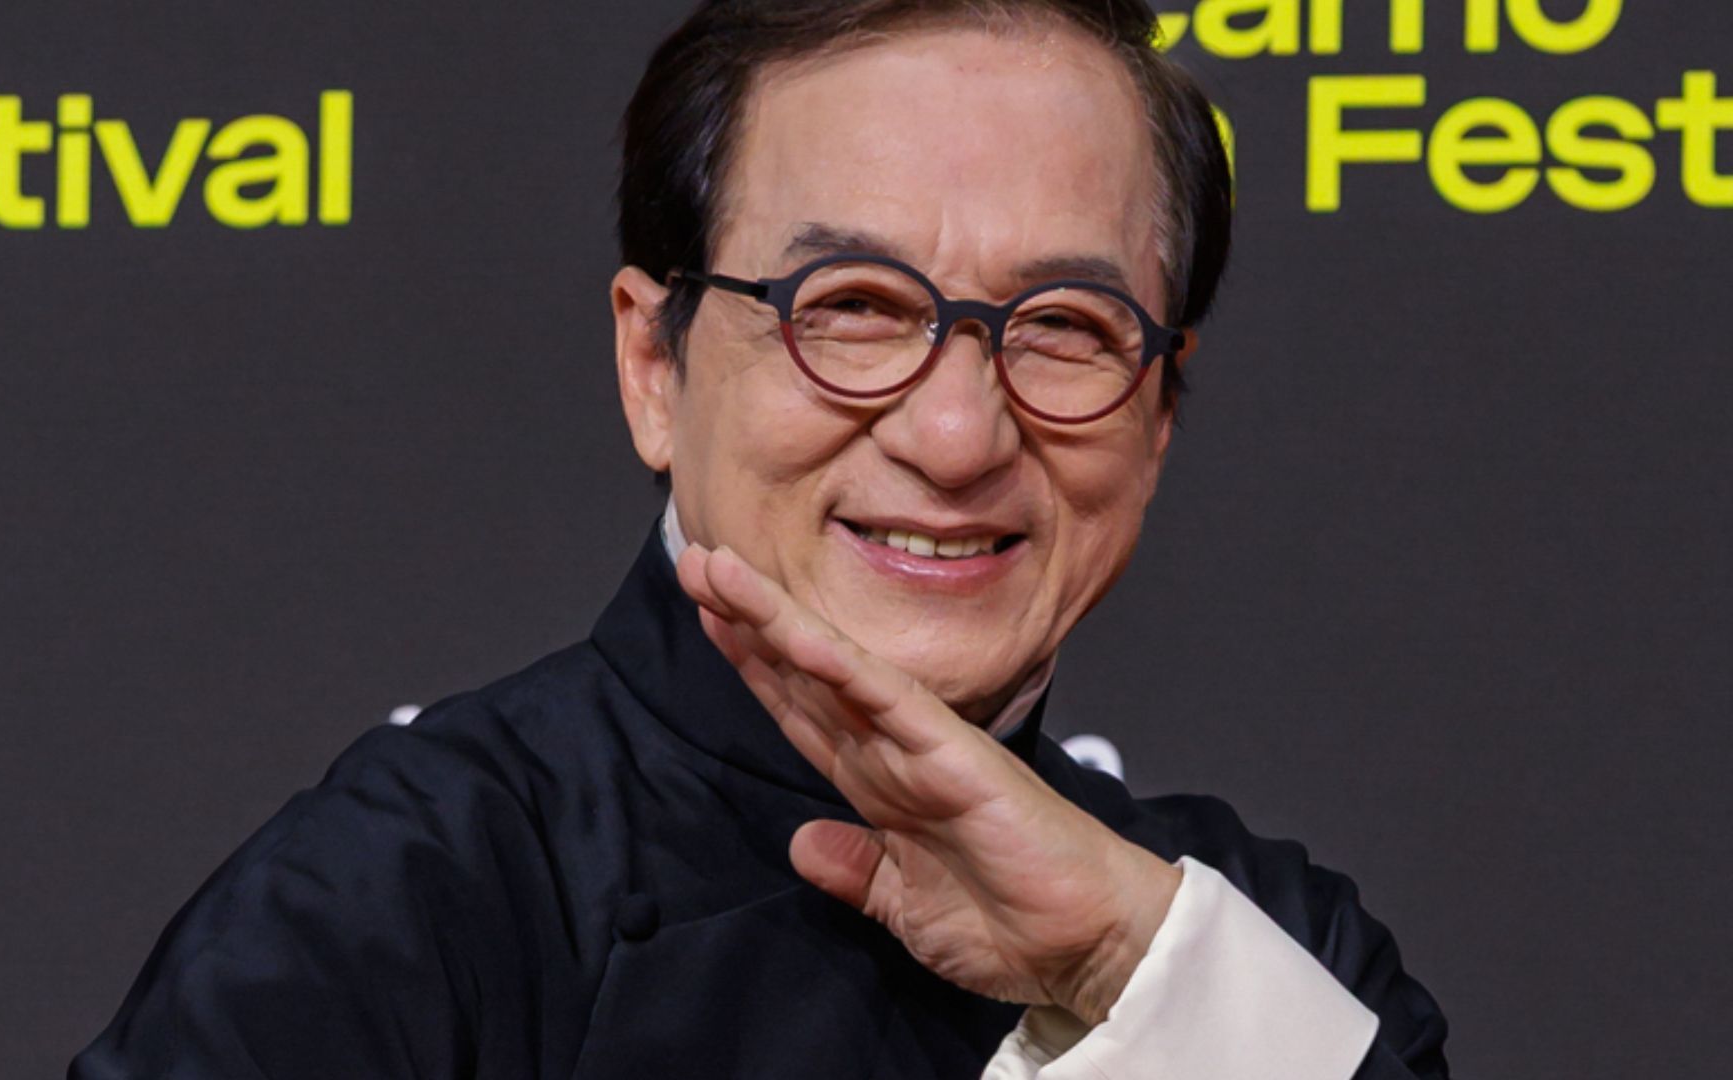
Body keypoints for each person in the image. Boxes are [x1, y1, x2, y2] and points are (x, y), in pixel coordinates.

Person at [71, 1, 1450, 1077]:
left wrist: (1126, 972)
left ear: (1158, 418)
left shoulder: (1270, 945)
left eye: (1069, 329)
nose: (958, 434)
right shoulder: (408, 900)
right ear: (653, 367)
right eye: (849, 307)